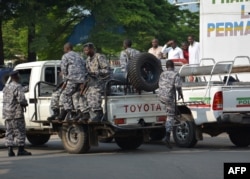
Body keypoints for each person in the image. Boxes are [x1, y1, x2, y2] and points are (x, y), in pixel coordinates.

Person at [2, 71, 32, 156]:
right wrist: (25, 104)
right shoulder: (18, 86)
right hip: (16, 113)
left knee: (9, 131)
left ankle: (10, 150)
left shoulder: (6, 86)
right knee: (20, 131)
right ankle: (21, 150)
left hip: (7, 113)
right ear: (17, 77)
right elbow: (21, 99)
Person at [56, 42, 87, 121]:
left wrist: (65, 78)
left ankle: (68, 112)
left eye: (64, 49)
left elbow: (63, 69)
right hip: (82, 80)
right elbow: (84, 65)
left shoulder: (65, 56)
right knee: (77, 95)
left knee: (66, 95)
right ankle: (80, 112)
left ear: (66, 49)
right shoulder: (79, 56)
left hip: (72, 80)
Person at [82, 42, 111, 122]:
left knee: (93, 92)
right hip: (93, 82)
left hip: (103, 81)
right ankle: (87, 113)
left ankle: (99, 113)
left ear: (92, 49)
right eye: (84, 51)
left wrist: (96, 72)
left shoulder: (99, 57)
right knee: (82, 93)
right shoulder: (87, 60)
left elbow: (107, 70)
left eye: (87, 50)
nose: (86, 52)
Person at [158, 60, 183, 149]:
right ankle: (167, 136)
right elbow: (178, 86)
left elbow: (159, 84)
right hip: (169, 97)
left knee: (167, 113)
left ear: (166, 66)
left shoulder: (162, 74)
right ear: (173, 66)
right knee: (170, 116)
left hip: (160, 97)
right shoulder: (175, 74)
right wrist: (180, 94)